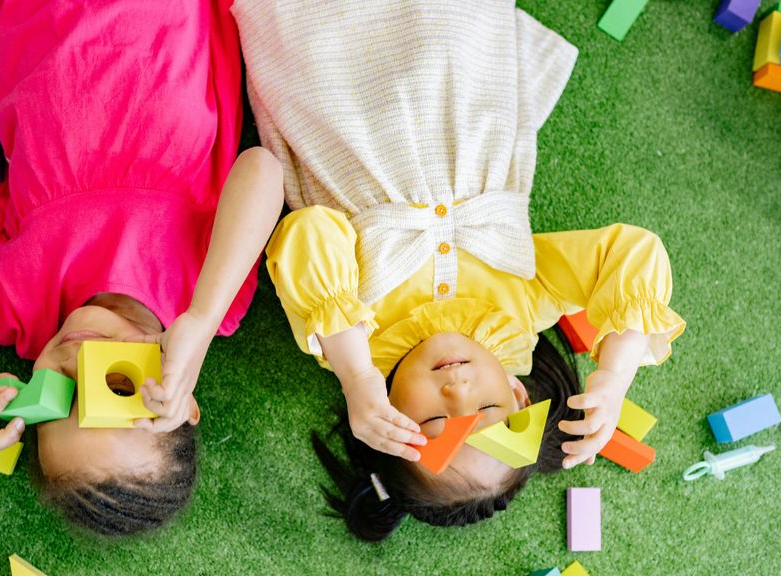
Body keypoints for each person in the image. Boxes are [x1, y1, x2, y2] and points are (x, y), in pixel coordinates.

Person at [233, 1, 686, 540]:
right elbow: (632, 253)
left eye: (432, 422)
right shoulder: (519, 316)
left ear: (386, 422)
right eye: (488, 404)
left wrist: (357, 375)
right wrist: (614, 377)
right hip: (458, 90)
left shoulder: (353, 339)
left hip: (345, 107)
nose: (458, 389)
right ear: (520, 396)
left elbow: (307, 232)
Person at [0, 0, 283, 536]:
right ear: (181, 401)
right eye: (109, 387)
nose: (75, 361)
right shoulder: (207, 296)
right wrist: (202, 320)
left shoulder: (17, 310)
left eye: (56, 398)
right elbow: (262, 169)